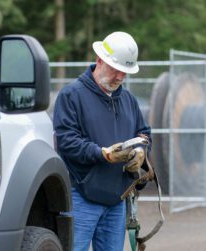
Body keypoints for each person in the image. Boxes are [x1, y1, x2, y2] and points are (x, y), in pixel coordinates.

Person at [53, 31, 151, 251]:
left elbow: (144, 133)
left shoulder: (128, 100)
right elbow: (67, 141)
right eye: (116, 69)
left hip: (117, 199)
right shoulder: (72, 95)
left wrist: (141, 151)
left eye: (125, 73)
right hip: (80, 196)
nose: (120, 77)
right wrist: (103, 154)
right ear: (99, 60)